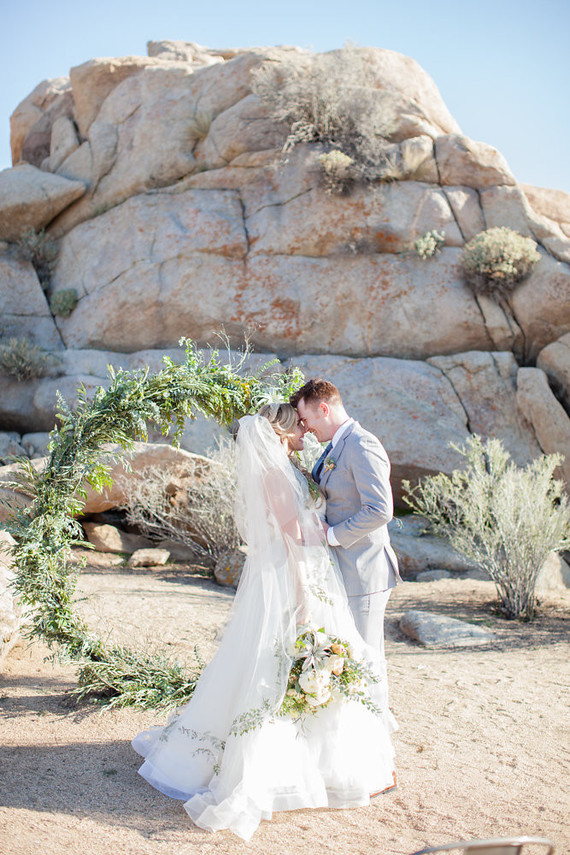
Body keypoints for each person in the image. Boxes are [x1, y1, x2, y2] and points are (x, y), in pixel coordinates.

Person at [132, 403, 396, 841]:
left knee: (306, 661)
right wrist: (302, 595)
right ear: (281, 432)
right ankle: (270, 765)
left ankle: (319, 759)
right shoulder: (274, 474)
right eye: (298, 425)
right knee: (280, 664)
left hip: (316, 570)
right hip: (294, 576)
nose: (304, 430)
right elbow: (291, 539)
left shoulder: (289, 466)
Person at [290, 379, 401, 659]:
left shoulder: (362, 444)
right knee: (347, 658)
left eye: (305, 419)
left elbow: (379, 509)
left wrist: (330, 535)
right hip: (343, 571)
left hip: (363, 570)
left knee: (365, 658)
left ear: (323, 409)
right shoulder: (334, 447)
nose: (305, 428)